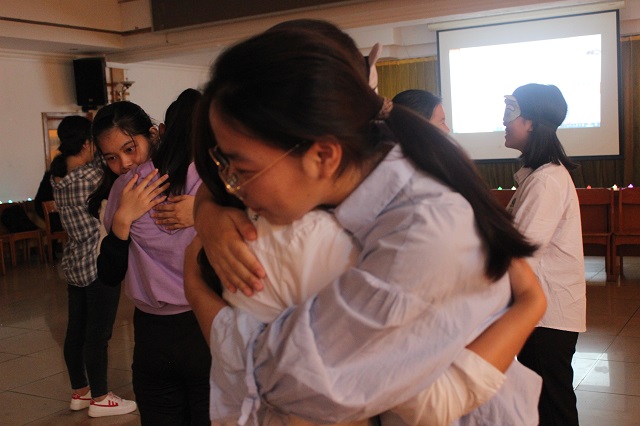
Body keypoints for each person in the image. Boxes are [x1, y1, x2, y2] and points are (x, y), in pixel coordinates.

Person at [186, 22, 545, 425]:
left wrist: (195, 287)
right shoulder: (385, 164)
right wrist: (207, 212)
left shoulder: (417, 235)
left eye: (242, 169)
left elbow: (288, 380)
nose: (232, 187)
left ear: (323, 156)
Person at [98, 92, 211, 425]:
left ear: (156, 133)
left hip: (153, 333)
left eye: (129, 149)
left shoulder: (122, 189)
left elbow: (111, 269)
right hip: (202, 323)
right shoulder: (207, 180)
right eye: (111, 157)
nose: (124, 163)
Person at [503, 83, 586, 426]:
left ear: (532, 123)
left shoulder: (546, 181)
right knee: (544, 405)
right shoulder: (537, 176)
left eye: (511, 112)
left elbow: (520, 253)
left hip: (547, 316)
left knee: (553, 408)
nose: (504, 121)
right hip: (541, 312)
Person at [49, 115, 137, 418]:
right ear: (88, 144)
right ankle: (101, 397)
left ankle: (81, 392)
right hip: (98, 263)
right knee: (98, 334)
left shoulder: (57, 179)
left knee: (76, 331)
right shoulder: (91, 176)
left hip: (74, 264)